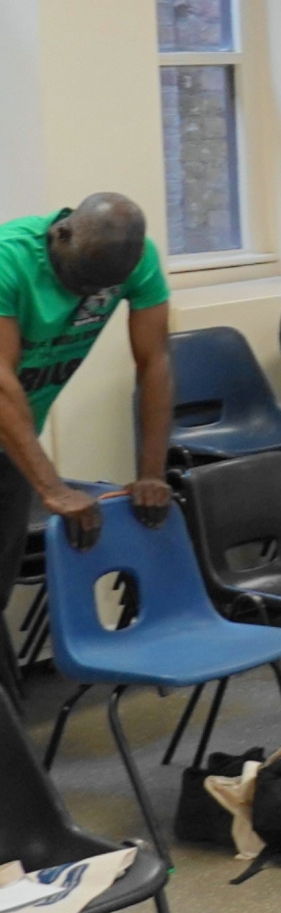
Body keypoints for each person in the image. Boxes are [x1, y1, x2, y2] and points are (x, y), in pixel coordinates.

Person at [0, 195, 174, 687]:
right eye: (77, 283)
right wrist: (51, 487)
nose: (85, 296)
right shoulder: (7, 258)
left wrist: (152, 472)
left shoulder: (136, 260)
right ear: (61, 236)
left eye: (99, 289)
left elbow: (155, 362)